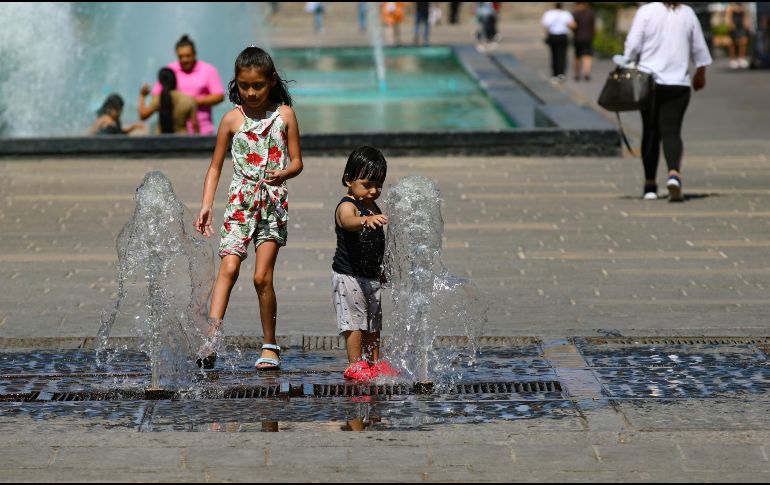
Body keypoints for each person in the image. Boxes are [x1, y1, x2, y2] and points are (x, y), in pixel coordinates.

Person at [193, 46, 303, 370]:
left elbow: (297, 161)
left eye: (258, 85)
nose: (251, 93)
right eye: (244, 86)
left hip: (272, 202)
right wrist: (206, 206)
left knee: (261, 277)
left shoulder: (284, 115)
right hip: (240, 201)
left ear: (271, 81)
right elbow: (214, 167)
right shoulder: (231, 120)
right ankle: (210, 341)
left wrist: (283, 172)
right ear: (236, 84)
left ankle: (270, 345)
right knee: (228, 268)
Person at [624, 2, 712, 202]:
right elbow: (699, 47)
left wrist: (627, 62)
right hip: (678, 83)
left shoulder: (646, 12)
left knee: (651, 131)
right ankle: (674, 174)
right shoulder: (687, 13)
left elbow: (632, 45)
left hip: (648, 82)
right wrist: (700, 74)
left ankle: (649, 185)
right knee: (672, 131)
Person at [332, 146, 398, 381]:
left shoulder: (372, 205)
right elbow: (348, 222)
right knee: (355, 323)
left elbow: (375, 243)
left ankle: (374, 363)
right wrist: (366, 220)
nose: (373, 191)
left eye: (378, 186)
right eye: (367, 184)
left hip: (369, 275)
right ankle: (355, 364)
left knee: (373, 322)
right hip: (349, 276)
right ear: (348, 179)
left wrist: (380, 269)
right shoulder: (347, 205)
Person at [151, 35, 225, 135]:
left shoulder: (208, 70)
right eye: (181, 56)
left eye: (188, 56)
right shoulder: (170, 70)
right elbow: (156, 95)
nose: (184, 60)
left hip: (203, 130)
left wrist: (195, 101)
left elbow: (219, 96)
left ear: (194, 54)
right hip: (174, 131)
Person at [138, 67, 199, 134]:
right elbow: (195, 124)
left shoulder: (158, 99)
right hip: (182, 140)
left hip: (161, 140)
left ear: (160, 82)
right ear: (175, 80)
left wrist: (142, 96)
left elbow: (143, 115)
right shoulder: (188, 99)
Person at [542, 3, 576, 83]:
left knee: (554, 55)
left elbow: (545, 27)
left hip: (553, 36)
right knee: (562, 55)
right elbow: (572, 25)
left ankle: (554, 74)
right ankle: (561, 73)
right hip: (562, 36)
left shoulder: (549, 14)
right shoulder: (566, 14)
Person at [571, 2, 595, 81]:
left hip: (578, 38)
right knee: (587, 56)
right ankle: (586, 73)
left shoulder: (575, 14)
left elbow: (573, 26)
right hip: (588, 38)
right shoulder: (590, 13)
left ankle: (577, 74)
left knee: (577, 57)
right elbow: (593, 27)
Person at [726, 2, 751, 69]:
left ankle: (741, 58)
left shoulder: (743, 6)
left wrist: (747, 23)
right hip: (734, 25)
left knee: (743, 41)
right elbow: (728, 16)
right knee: (732, 43)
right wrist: (730, 24)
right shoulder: (731, 6)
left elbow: (745, 16)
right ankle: (732, 60)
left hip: (741, 26)